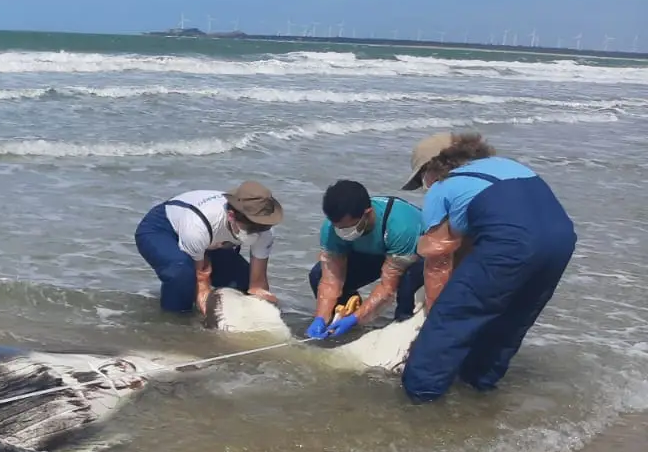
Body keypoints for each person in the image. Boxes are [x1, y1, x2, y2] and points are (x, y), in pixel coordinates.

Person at [396, 131, 577, 402]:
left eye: (422, 177)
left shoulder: (443, 187)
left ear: (433, 168)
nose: (425, 185)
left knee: (444, 329)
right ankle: (478, 396)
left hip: (511, 244)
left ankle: (420, 405)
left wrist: (432, 319)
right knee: (508, 325)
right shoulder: (509, 165)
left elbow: (438, 262)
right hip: (561, 241)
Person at [134, 181, 284, 314]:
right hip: (162, 229)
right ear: (231, 216)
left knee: (242, 286)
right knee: (182, 274)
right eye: (251, 228)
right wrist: (203, 299)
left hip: (212, 240)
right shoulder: (198, 226)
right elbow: (201, 281)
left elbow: (257, 283)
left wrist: (261, 304)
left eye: (261, 228)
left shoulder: (264, 229)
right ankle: (174, 324)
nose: (256, 233)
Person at [305, 179, 426, 339]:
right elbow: (330, 281)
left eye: (347, 228)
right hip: (373, 254)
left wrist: (355, 319)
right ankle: (341, 327)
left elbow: (387, 288)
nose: (341, 232)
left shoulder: (401, 226)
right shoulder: (332, 229)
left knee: (406, 289)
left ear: (367, 214)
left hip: (412, 253)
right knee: (318, 274)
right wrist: (320, 317)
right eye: (337, 227)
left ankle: (404, 334)